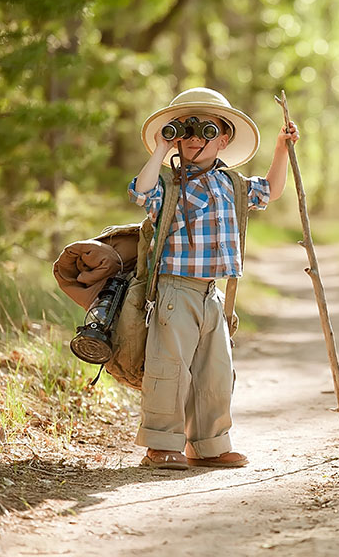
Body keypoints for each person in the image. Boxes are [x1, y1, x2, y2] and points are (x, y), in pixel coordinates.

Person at [128, 87, 298, 469]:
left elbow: (271, 189)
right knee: (169, 369)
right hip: (174, 291)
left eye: (206, 131)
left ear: (223, 140)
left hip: (212, 295)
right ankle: (161, 443)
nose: (194, 139)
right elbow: (140, 193)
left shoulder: (232, 185)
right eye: (185, 131)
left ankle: (209, 444)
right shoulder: (169, 186)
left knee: (215, 373)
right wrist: (159, 148)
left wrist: (281, 149)